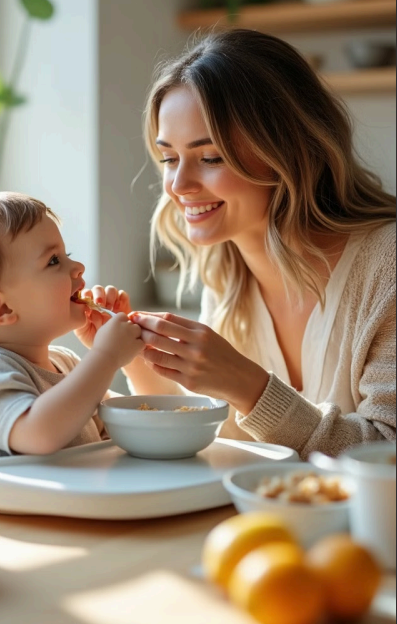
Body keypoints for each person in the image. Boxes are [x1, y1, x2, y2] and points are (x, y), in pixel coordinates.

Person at [89, 29, 396, 460]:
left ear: (288, 150)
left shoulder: (387, 267)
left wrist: (246, 384)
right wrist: (132, 355)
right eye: (168, 158)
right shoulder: (227, 272)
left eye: (210, 158)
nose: (178, 185)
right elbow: (222, 439)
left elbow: (387, 451)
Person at [0, 192, 144, 457]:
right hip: (18, 500)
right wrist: (107, 356)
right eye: (54, 261)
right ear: (1, 308)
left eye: (67, 254)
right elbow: (39, 434)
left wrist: (135, 346)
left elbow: (125, 421)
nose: (78, 266)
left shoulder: (66, 364)